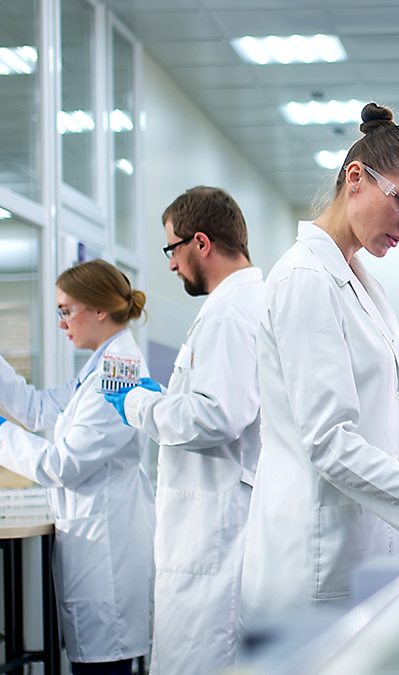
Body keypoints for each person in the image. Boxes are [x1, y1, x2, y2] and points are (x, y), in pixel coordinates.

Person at [240, 103, 399, 623]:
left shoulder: (361, 283)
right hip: (310, 567)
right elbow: (331, 441)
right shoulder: (305, 279)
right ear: (355, 178)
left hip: (353, 556)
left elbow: (373, 431)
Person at [0, 259, 154, 675]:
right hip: (97, 541)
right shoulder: (101, 366)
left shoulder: (117, 372)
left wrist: (1, 433)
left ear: (99, 309)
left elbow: (64, 464)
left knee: (103, 666)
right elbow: (42, 407)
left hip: (106, 553)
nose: (62, 322)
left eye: (66, 310)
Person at [103, 186, 263, 674]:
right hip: (219, 523)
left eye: (172, 249)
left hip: (215, 532)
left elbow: (217, 415)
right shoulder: (248, 302)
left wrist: (138, 403)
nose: (171, 265)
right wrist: (168, 400)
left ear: (200, 242)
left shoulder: (229, 313)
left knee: (203, 657)